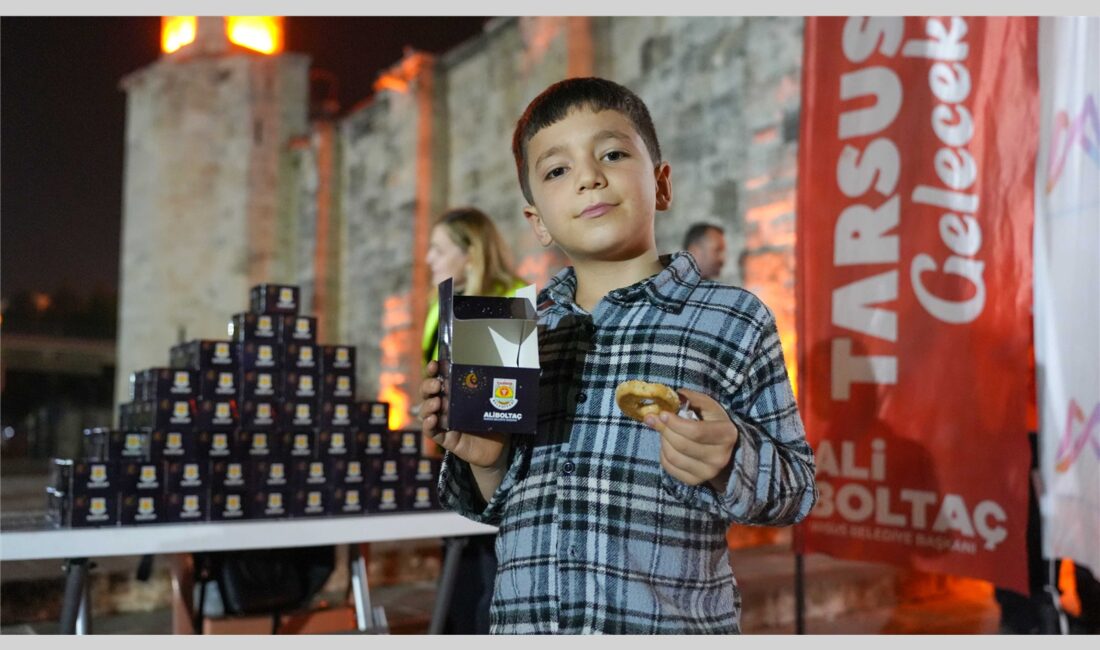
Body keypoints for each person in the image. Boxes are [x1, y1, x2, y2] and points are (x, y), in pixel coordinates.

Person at [419, 77, 816, 633]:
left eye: (611, 153)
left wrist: (731, 458)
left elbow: (797, 491)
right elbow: (498, 506)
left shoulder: (733, 318)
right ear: (537, 222)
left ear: (661, 183)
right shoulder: (518, 332)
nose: (589, 177)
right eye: (557, 170)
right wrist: (488, 463)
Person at [420, 206, 527, 634]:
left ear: (471, 253)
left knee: (492, 582)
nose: (428, 258)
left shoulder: (515, 302)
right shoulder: (437, 310)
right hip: (450, 460)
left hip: (502, 465)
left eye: (438, 248)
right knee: (459, 582)